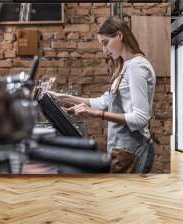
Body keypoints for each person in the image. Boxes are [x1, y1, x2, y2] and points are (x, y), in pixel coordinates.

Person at [47, 16, 156, 173]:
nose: (104, 50)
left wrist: (95, 113)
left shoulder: (136, 66)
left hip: (133, 150)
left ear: (119, 35)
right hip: (124, 149)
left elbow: (140, 118)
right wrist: (61, 97)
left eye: (106, 43)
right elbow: (103, 101)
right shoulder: (126, 66)